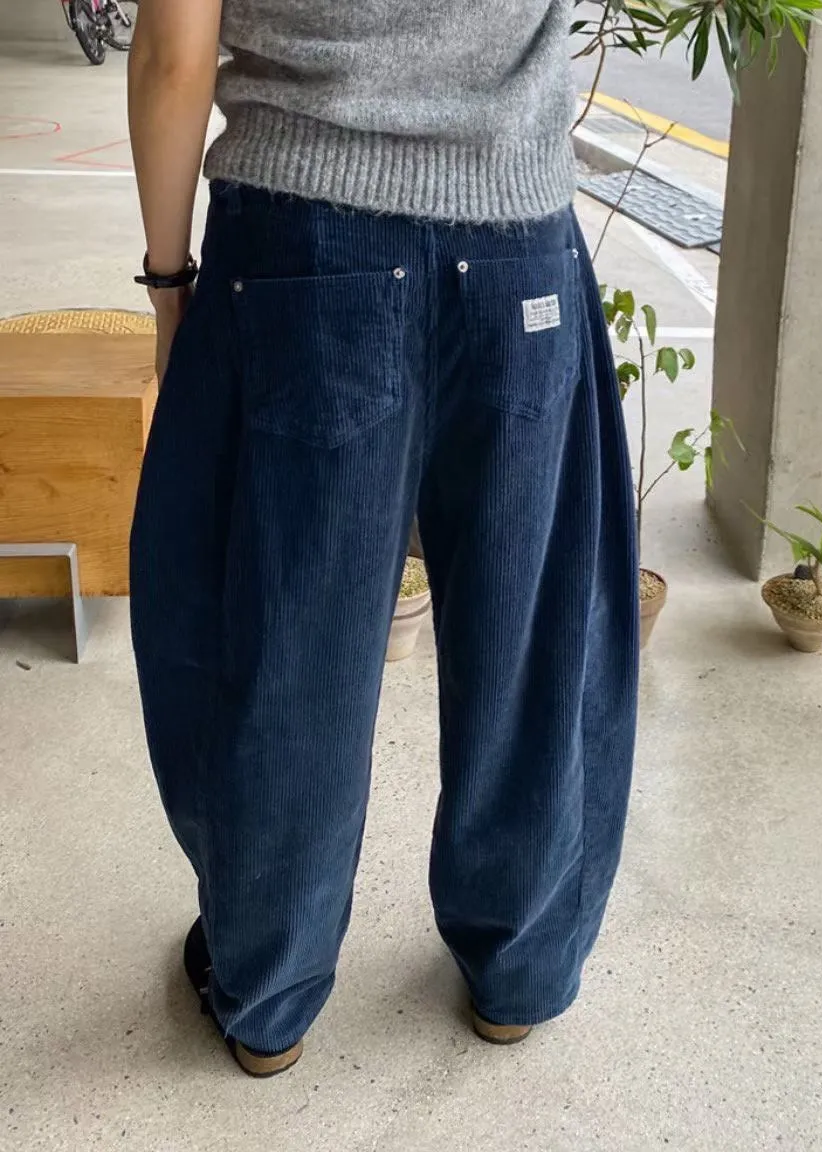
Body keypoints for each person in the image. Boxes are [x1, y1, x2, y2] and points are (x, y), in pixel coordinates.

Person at [128, 0, 638, 1078]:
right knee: (532, 636)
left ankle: (269, 993)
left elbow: (175, 53)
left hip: (302, 248)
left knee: (286, 640)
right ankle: (517, 973)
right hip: (519, 244)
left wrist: (170, 286)